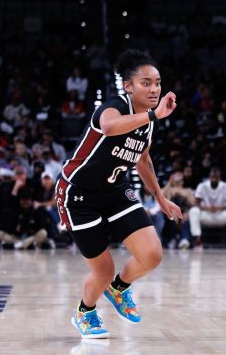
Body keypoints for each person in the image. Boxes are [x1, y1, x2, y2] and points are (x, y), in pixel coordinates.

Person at [55, 49, 183, 339]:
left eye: (158, 83)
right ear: (128, 86)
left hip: (114, 190)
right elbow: (109, 127)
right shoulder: (113, 107)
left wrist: (161, 199)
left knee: (151, 254)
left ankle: (119, 288)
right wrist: (153, 114)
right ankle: (85, 312)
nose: (154, 89)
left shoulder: (148, 121)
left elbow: (142, 158)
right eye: (146, 83)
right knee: (102, 269)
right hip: (79, 193)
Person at [189, 168, 226, 252]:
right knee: (193, 211)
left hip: (221, 215)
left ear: (219, 178)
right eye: (212, 177)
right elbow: (196, 203)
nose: (214, 179)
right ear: (209, 177)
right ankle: (197, 241)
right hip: (206, 215)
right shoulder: (202, 186)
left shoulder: (225, 186)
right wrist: (207, 208)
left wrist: (219, 208)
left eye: (216, 177)